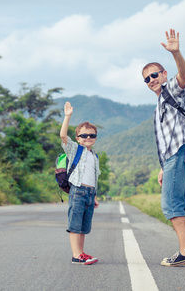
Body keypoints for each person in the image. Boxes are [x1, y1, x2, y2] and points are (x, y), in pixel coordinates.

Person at [142, 29, 185, 267]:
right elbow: (165, 139)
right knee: (182, 203)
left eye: (154, 75)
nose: (151, 80)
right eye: (147, 79)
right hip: (183, 153)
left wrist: (176, 52)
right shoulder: (160, 103)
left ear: (164, 73)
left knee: (170, 203)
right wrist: (163, 167)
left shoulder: (172, 88)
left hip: (181, 152)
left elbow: (184, 74)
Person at [60, 101, 100, 265]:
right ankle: (76, 255)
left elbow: (94, 177)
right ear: (78, 138)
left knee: (83, 226)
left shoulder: (95, 156)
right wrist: (67, 116)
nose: (88, 138)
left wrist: (95, 196)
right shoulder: (75, 149)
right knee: (75, 224)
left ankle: (81, 253)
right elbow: (63, 136)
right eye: (84, 135)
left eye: (91, 135)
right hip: (77, 191)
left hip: (89, 194)